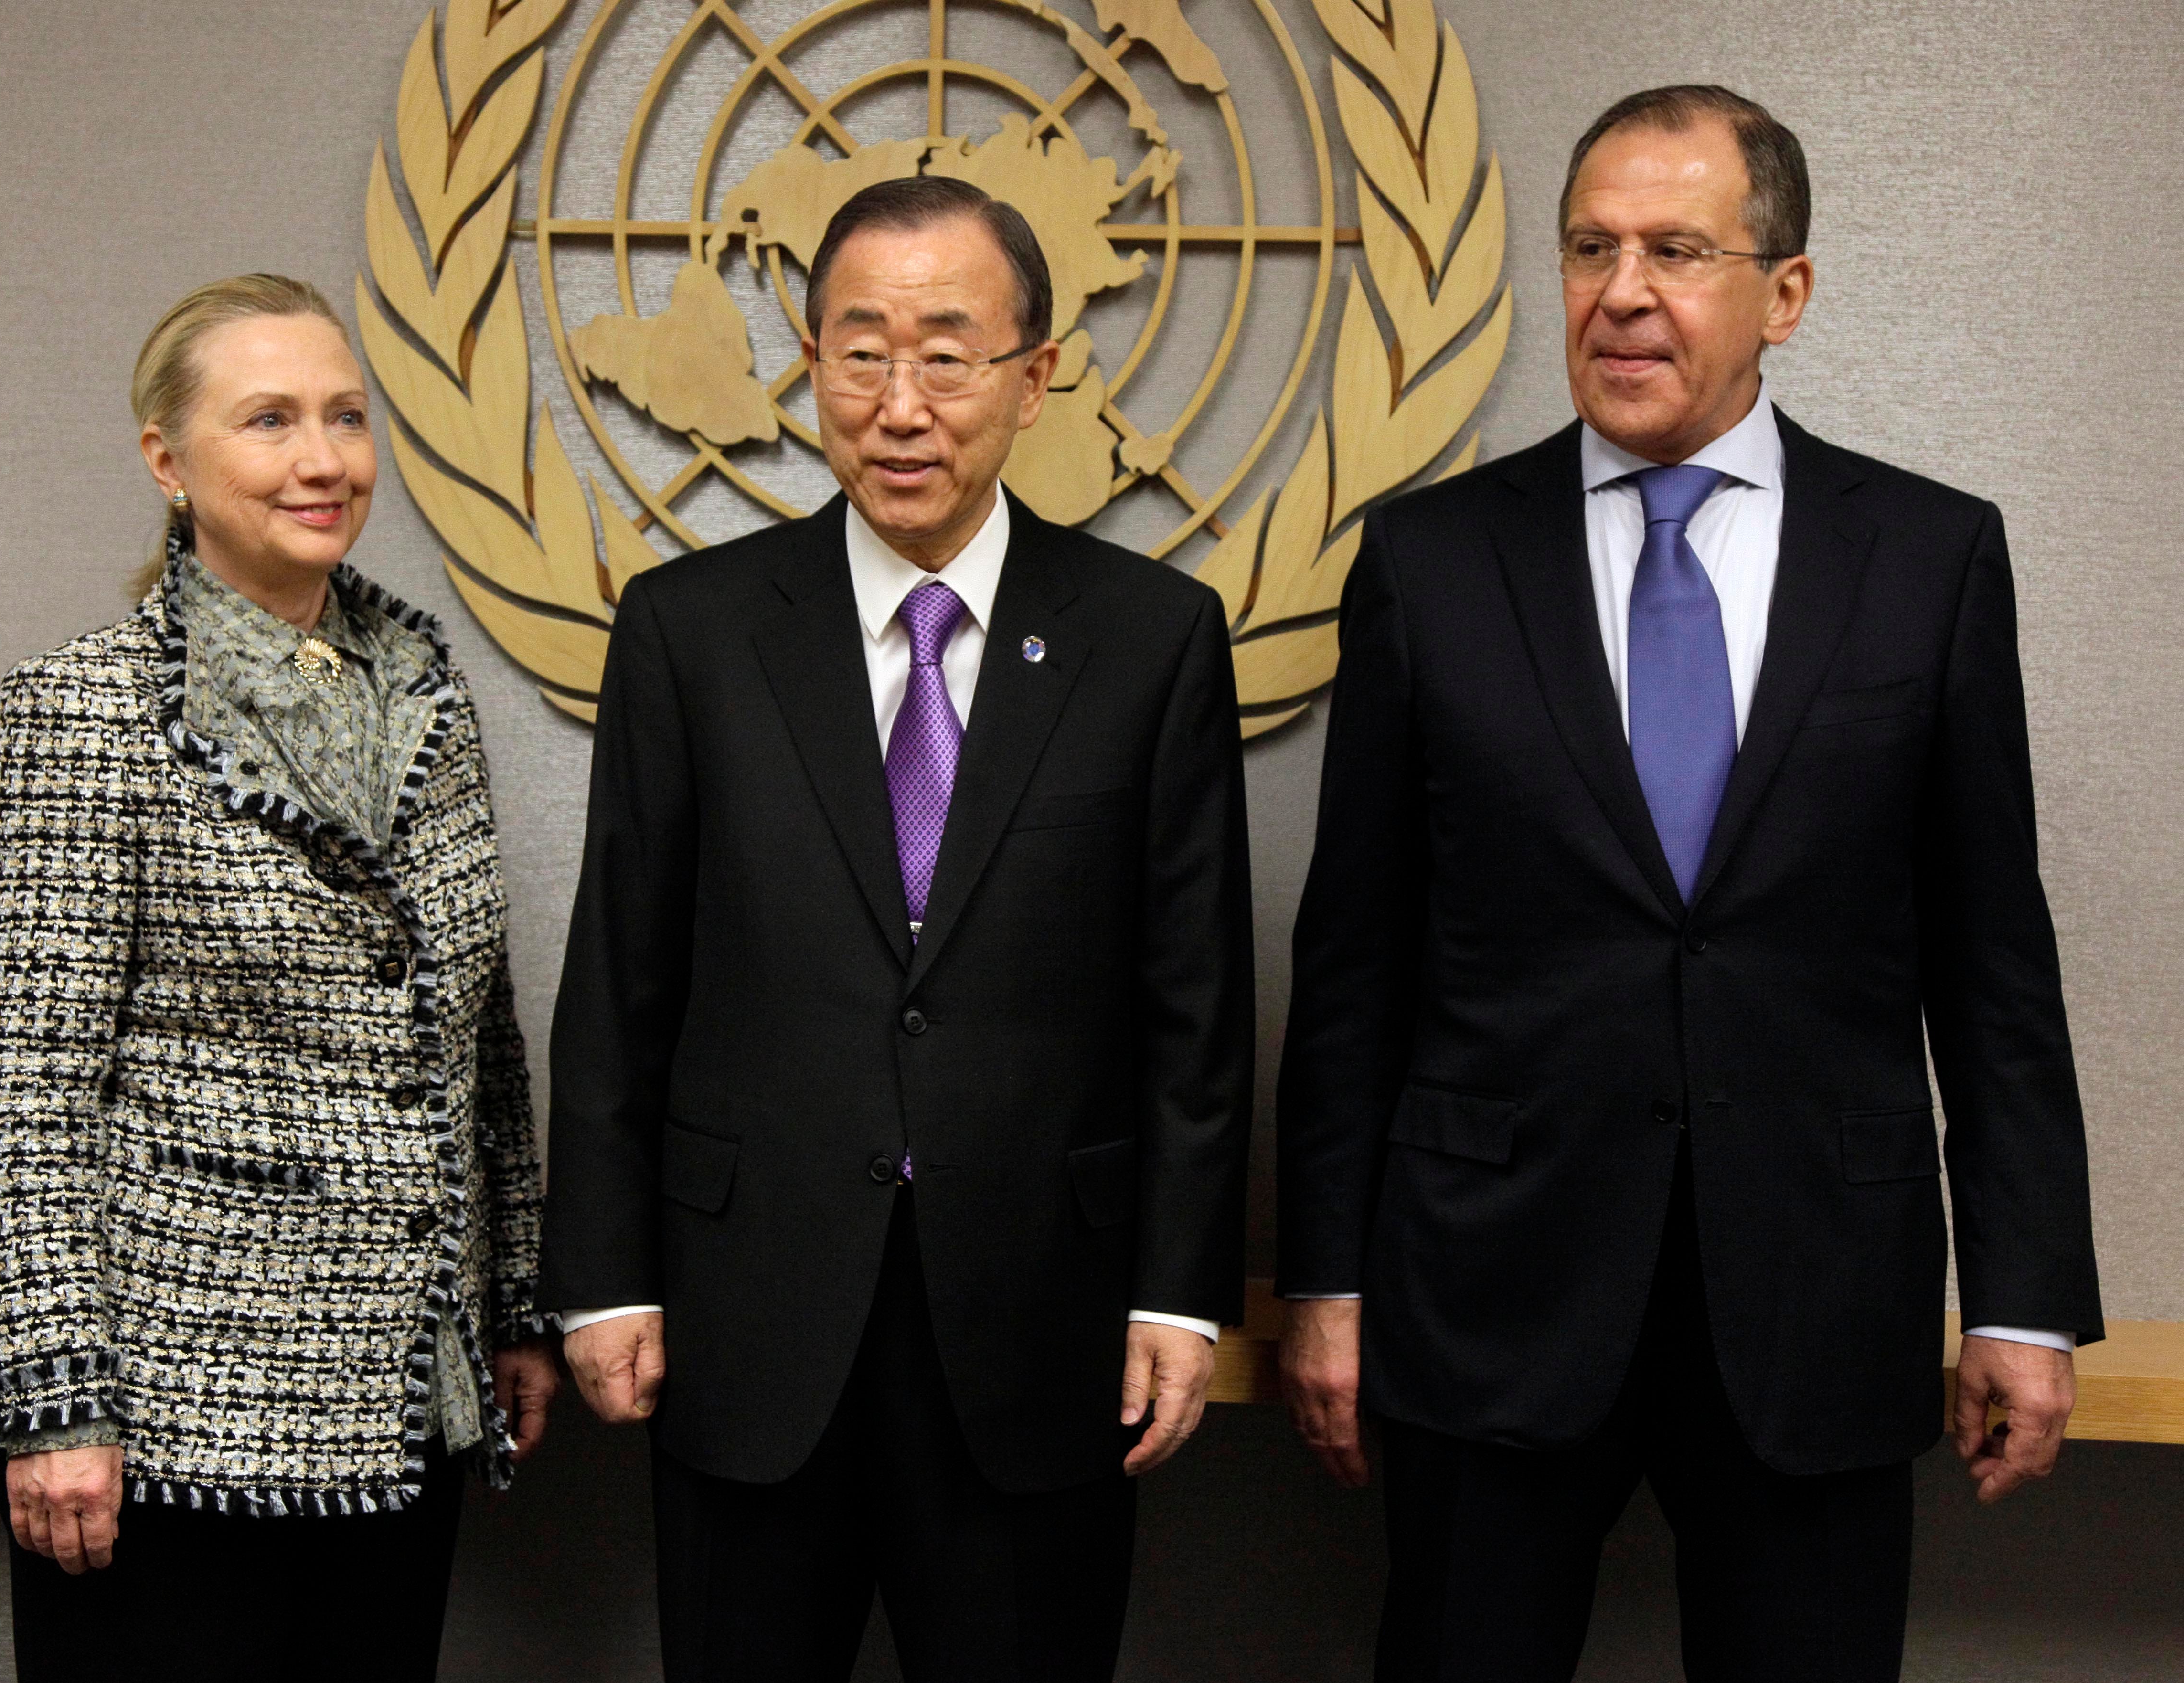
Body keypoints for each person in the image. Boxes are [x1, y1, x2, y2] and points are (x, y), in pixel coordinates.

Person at [1276, 86, 2102, 1682]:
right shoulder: (1429, 562)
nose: (1621, 291)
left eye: (1675, 249)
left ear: (1783, 293)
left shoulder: (1926, 560)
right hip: (1486, 1292)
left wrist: (2025, 1297)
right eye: (1590, 247)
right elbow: (1354, 963)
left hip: (1816, 1298)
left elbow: (1996, 961)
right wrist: (1324, 1275)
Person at [540, 176, 1253, 1681]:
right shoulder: (690, 628)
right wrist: (603, 1272)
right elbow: (620, 981)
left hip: (1040, 1331)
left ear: (1035, 376)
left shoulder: (1151, 637)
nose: (901, 403)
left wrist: (1179, 1290)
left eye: (948, 352)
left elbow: (1193, 1009)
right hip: (747, 1326)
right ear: (808, 364)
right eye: (859, 351)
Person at [0, 274, 561, 1683]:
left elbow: (483, 1043)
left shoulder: (425, 692)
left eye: (346, 418)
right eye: (270, 419)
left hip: (406, 1396)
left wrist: (515, 1297)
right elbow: (29, 1093)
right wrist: (55, 1404)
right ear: (168, 462)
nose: (322, 458)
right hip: (165, 1422)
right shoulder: (87, 706)